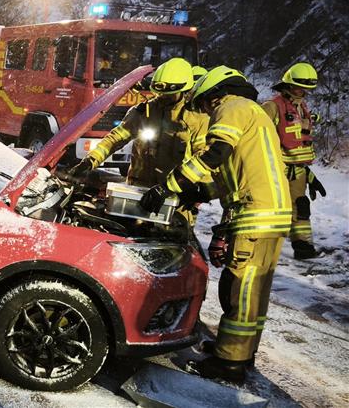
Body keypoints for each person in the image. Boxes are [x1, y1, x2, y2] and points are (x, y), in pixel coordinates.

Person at [139, 66, 291, 384]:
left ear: (214, 95)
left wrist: (168, 186)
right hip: (267, 213)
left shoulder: (232, 107)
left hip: (256, 214)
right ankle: (237, 351)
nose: (206, 112)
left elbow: (215, 154)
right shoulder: (251, 113)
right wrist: (198, 192)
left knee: (241, 290)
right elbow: (232, 179)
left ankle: (229, 364)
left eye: (205, 104)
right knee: (252, 292)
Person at [68, 57, 210, 221]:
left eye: (168, 95)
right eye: (159, 94)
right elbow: (116, 138)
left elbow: (204, 160)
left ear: (184, 90)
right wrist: (90, 161)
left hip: (174, 201)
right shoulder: (144, 112)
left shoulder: (197, 119)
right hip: (137, 196)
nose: (162, 98)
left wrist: (196, 193)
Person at [261, 62, 325, 259]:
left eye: (306, 88)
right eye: (299, 87)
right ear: (288, 85)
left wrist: (306, 170)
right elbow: (259, 134)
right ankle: (262, 249)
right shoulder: (272, 106)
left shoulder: (302, 107)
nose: (302, 91)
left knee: (301, 206)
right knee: (272, 210)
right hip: (278, 170)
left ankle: (303, 247)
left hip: (298, 170)